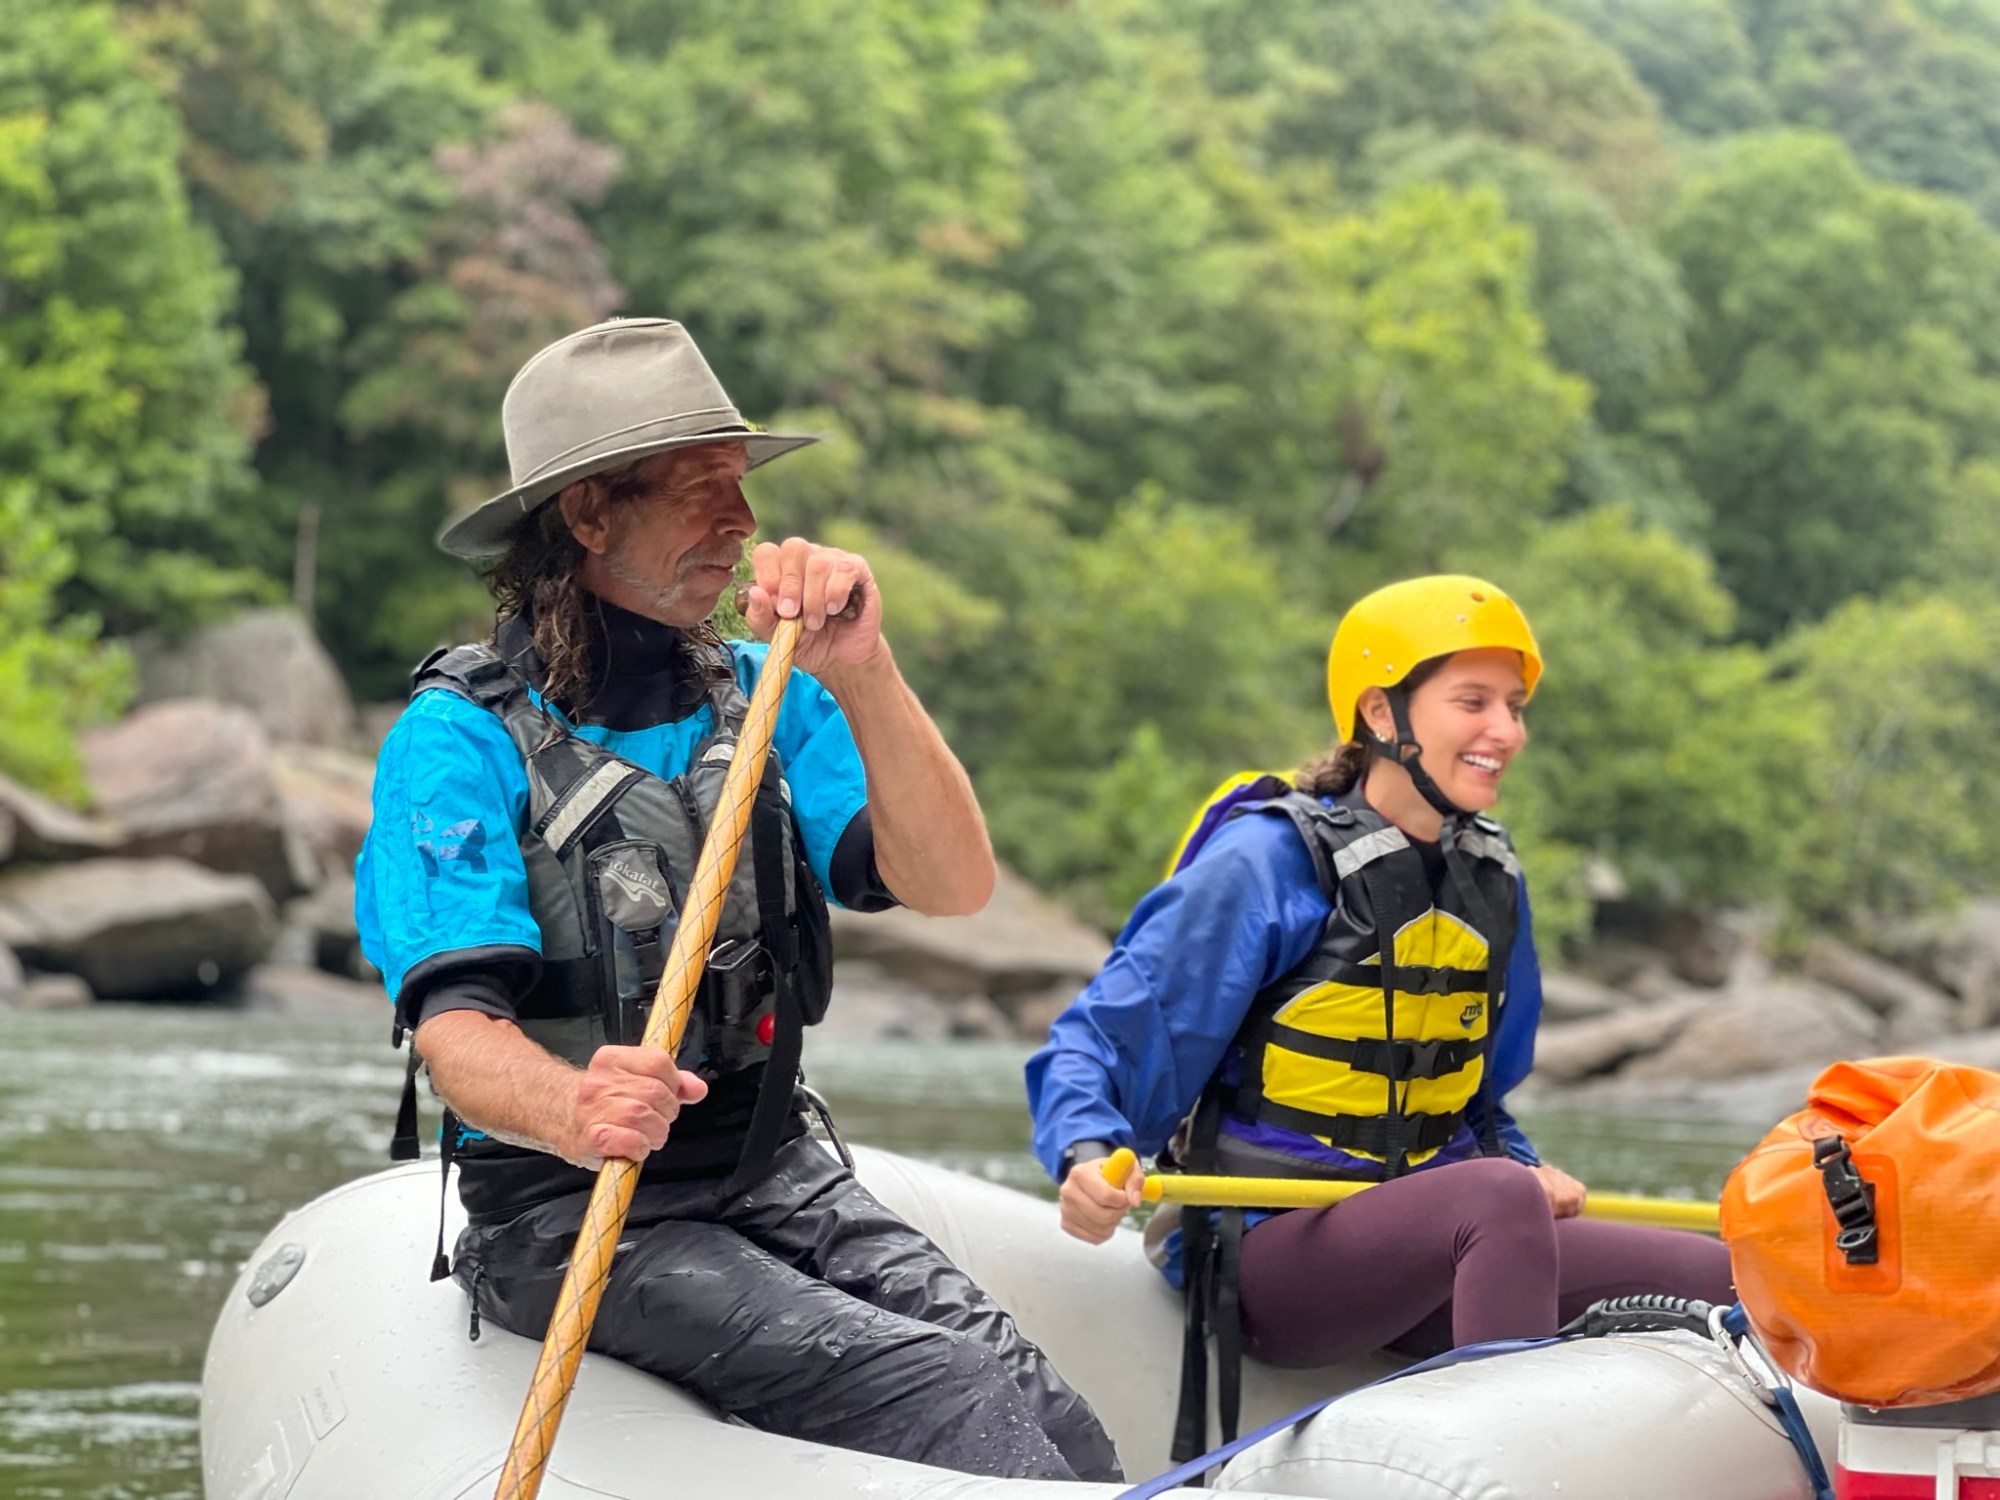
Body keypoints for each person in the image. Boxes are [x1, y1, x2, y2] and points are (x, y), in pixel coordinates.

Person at [356, 317, 1119, 1482]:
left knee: (1036, 1405)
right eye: (702, 489)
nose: (746, 523)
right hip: (571, 1211)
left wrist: (863, 671)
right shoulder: (456, 742)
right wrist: (574, 1107)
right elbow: (458, 1039)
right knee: (944, 1392)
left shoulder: (762, 694)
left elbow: (952, 885)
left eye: (742, 486)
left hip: (768, 1171)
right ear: (589, 514)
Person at [1027, 574, 1732, 1450]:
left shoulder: (1492, 879)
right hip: (1265, 1257)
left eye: (1513, 705)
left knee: (1730, 1275)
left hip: (1435, 1242)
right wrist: (1089, 1152)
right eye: (1471, 701)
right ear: (1381, 713)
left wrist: (1517, 1160)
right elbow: (1098, 1040)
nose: (1505, 731)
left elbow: (1477, 1098)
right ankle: (1495, 1465)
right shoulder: (1268, 860)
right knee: (1497, 1203)